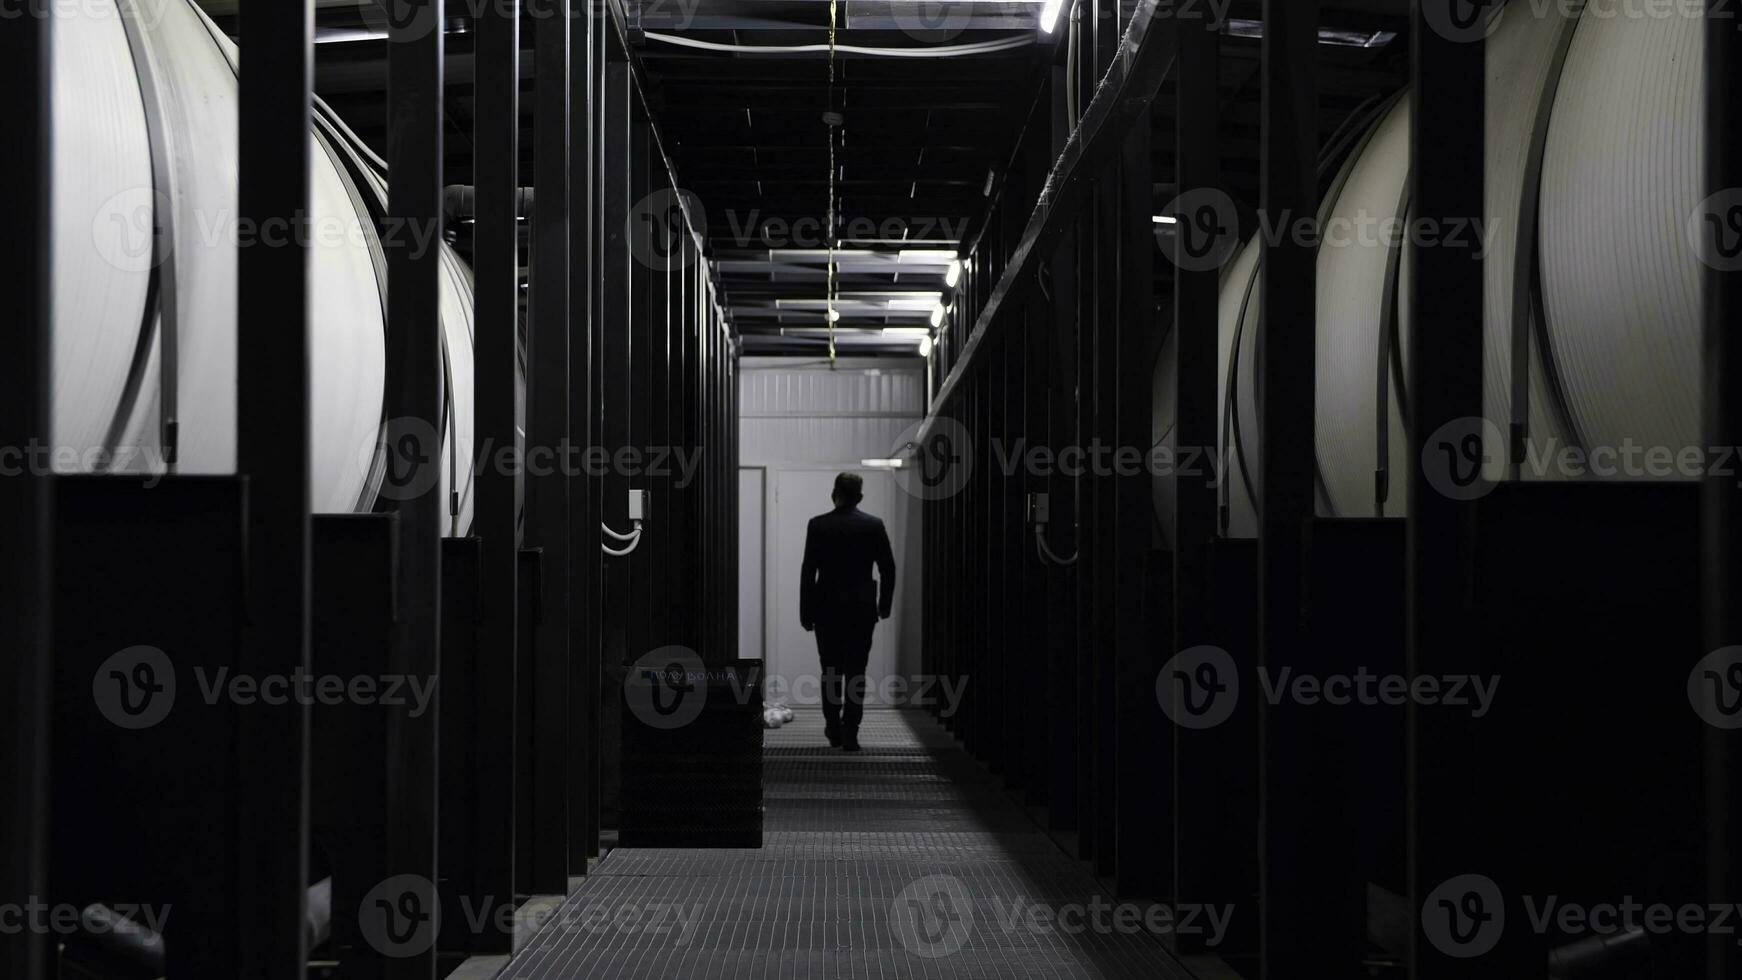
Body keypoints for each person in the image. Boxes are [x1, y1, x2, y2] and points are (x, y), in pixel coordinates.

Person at [799, 472, 896, 752]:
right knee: (856, 671)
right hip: (861, 609)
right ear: (860, 497)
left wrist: (806, 612)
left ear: (834, 493)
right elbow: (887, 567)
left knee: (830, 670)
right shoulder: (873, 525)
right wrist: (884, 605)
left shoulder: (818, 525)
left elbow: (808, 571)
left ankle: (832, 726)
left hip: (827, 608)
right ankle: (851, 730)